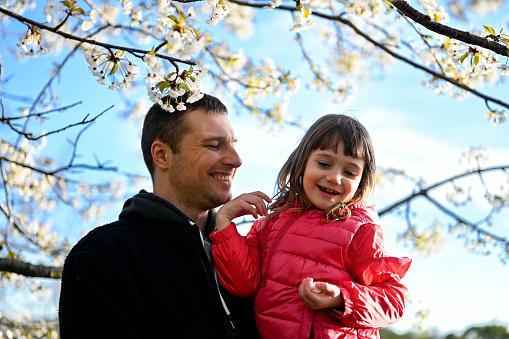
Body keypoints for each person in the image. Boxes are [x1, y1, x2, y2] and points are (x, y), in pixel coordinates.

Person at [59, 94, 259, 339]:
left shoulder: (252, 251)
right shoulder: (101, 257)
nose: (236, 160)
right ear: (162, 155)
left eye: (233, 144)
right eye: (214, 145)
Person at [210, 114, 412, 339]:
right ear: (302, 163)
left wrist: (341, 298)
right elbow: (243, 285)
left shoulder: (360, 229)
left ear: (361, 181)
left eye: (349, 172)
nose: (335, 177)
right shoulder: (272, 223)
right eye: (324, 164)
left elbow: (393, 300)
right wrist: (225, 224)